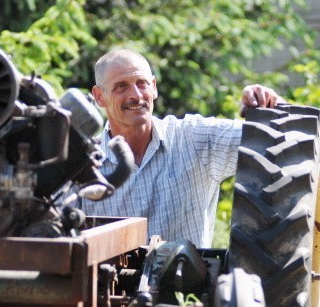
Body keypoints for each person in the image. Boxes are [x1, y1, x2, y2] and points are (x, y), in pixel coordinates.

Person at [74, 48, 284, 248]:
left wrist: (268, 106)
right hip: (107, 285)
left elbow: (278, 139)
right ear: (99, 96)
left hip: (187, 285)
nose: (136, 95)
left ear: (154, 87)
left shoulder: (195, 139)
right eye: (121, 86)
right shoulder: (81, 165)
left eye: (142, 83)